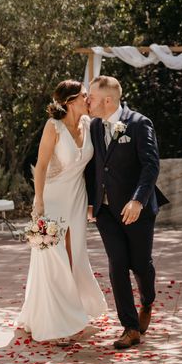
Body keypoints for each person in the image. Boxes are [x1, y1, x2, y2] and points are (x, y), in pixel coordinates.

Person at [16, 80, 107, 345]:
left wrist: (93, 200)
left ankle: (71, 312)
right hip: (52, 199)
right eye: (85, 96)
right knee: (53, 258)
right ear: (69, 101)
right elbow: (41, 166)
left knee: (74, 255)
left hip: (76, 198)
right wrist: (39, 201)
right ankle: (55, 324)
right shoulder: (53, 127)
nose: (89, 100)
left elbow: (93, 169)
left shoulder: (90, 126)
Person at [85, 75, 169, 350]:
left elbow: (150, 166)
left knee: (140, 264)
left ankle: (147, 300)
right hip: (106, 210)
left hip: (136, 210)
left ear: (107, 100)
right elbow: (94, 166)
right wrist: (90, 201)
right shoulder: (95, 126)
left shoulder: (139, 123)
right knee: (117, 263)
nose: (88, 101)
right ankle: (130, 327)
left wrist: (137, 201)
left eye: (92, 97)